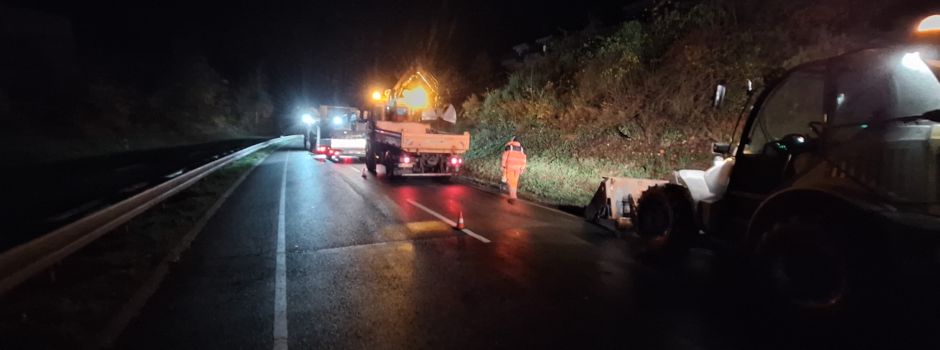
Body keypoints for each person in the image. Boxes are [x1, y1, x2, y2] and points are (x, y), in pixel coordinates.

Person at [501, 136, 527, 204]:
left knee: (510, 182)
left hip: (510, 167)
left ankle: (513, 197)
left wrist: (503, 166)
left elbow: (504, 157)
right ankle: (513, 196)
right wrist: (522, 168)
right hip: (518, 168)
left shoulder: (509, 147)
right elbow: (523, 159)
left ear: (513, 140)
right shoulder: (521, 149)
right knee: (514, 182)